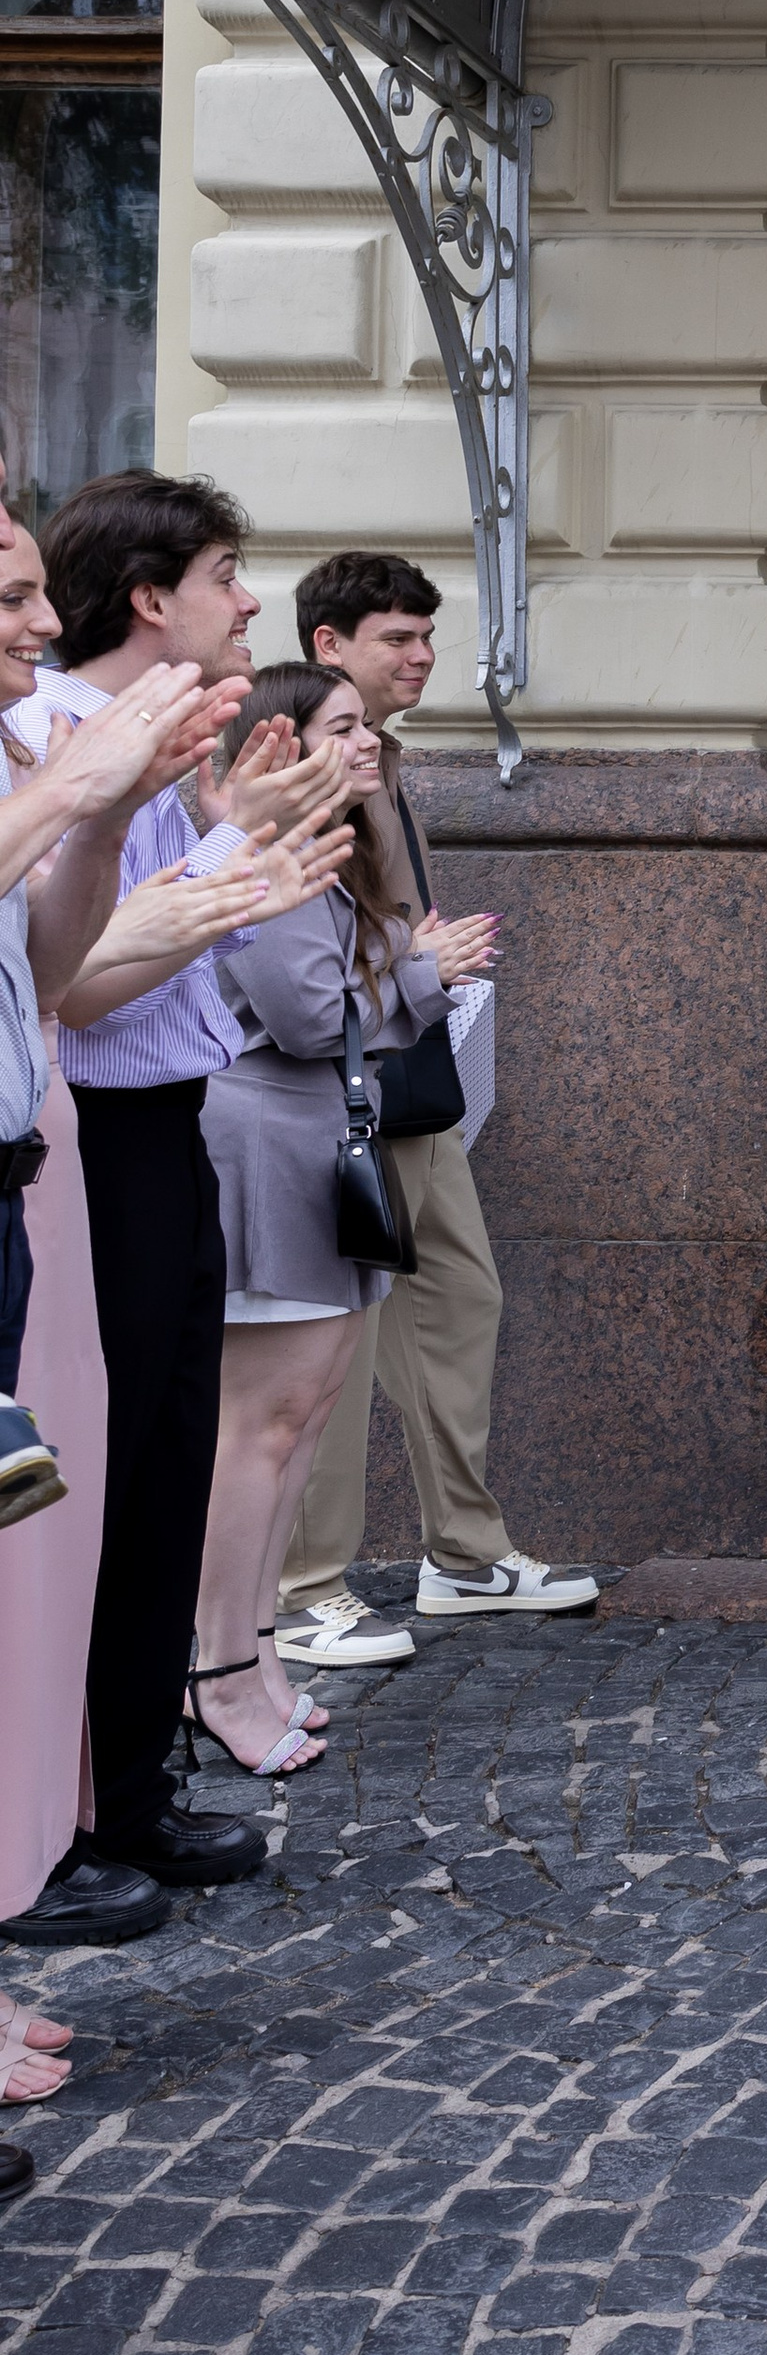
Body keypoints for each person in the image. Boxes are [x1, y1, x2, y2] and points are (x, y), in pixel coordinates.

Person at [13, 474, 350, 1934]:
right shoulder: (59, 750)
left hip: (165, 1124)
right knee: (81, 1494)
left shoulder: (145, 741)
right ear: (153, 596)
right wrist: (229, 859)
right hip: (91, 1138)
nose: (250, 601)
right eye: (228, 571)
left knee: (155, 1477)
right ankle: (70, 1810)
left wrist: (240, 848)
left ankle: (130, 1785)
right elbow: (72, 987)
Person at [278, 552, 592, 1658]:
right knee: (335, 1349)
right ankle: (303, 1586)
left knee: (462, 1306)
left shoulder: (386, 763)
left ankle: (463, 1557)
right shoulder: (294, 768)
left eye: (425, 636)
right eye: (397, 639)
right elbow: (295, 958)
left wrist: (423, 967)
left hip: (413, 1083)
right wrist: (413, 959)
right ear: (330, 645)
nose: (422, 658)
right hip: (328, 1097)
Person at [196, 668, 497, 1780]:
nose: (367, 740)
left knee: (303, 1419)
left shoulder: (334, 848)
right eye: (342, 727)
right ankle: (218, 1669)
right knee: (263, 1430)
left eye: (363, 726)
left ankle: (251, 1655)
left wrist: (406, 970)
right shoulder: (279, 859)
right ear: (280, 746)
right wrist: (419, 974)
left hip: (317, 1137)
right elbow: (311, 1015)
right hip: (270, 1146)